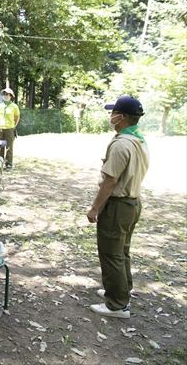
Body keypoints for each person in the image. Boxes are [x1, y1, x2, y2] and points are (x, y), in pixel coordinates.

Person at [87, 95, 149, 319]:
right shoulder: (139, 140)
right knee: (122, 250)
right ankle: (121, 288)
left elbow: (110, 180)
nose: (110, 116)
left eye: (113, 112)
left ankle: (117, 304)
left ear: (121, 117)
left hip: (118, 204)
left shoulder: (122, 143)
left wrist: (95, 208)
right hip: (133, 202)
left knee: (111, 252)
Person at [0, 87, 20, 169]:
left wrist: (13, 126)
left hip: (10, 129)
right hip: (0, 129)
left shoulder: (14, 106)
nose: (5, 96)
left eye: (7, 94)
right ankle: (0, 163)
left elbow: (17, 117)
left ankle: (9, 164)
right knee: (0, 147)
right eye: (4, 94)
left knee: (9, 147)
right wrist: (0, 125)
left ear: (11, 96)